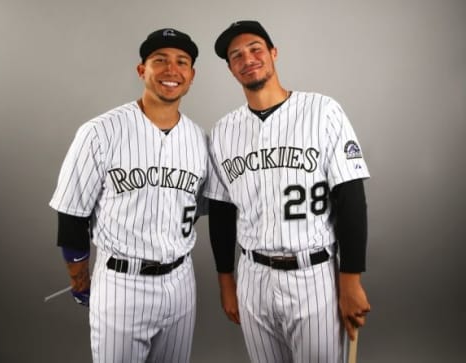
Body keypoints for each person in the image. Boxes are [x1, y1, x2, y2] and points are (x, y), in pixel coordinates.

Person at [205, 20, 371, 363]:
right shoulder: (222, 131)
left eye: (255, 49)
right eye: (236, 55)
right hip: (252, 275)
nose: (247, 58)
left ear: (273, 53)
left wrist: (350, 280)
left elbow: (351, 196)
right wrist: (227, 282)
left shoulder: (322, 110)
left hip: (313, 274)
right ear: (230, 68)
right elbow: (222, 212)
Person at [49, 28, 208, 363]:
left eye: (181, 62)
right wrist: (79, 280)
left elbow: (209, 207)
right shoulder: (100, 132)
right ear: (142, 70)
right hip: (123, 282)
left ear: (191, 76)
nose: (171, 69)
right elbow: (71, 214)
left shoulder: (200, 139)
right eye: (160, 60)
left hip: (181, 282)